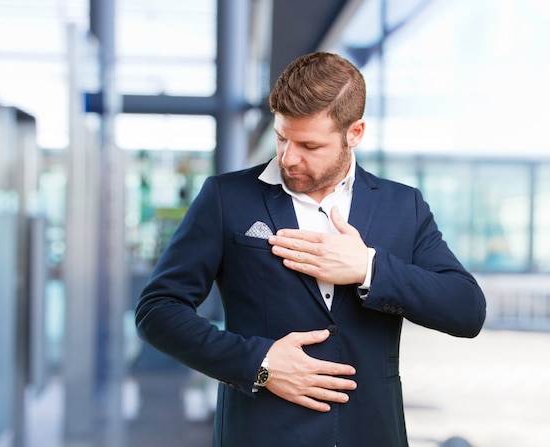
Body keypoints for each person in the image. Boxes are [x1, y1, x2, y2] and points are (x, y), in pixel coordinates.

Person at [135, 52, 486, 447]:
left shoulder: (403, 206)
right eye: (282, 137)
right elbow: (157, 311)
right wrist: (260, 363)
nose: (288, 157)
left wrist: (369, 268)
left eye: (309, 145)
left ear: (355, 133)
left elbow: (467, 310)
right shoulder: (225, 198)